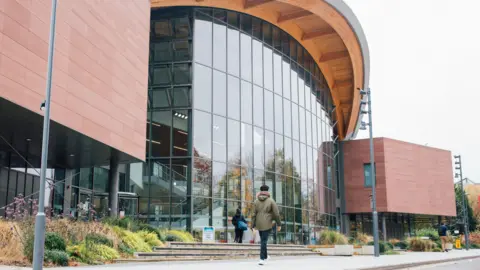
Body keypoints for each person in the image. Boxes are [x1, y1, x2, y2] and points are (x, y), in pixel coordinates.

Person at [252, 185, 282, 266]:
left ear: (260, 191)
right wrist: (279, 224)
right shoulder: (271, 201)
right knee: (264, 241)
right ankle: (261, 259)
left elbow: (253, 214)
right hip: (267, 223)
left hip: (259, 223)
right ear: (268, 191)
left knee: (263, 240)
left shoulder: (256, 201)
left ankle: (265, 256)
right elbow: (276, 213)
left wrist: (253, 225)